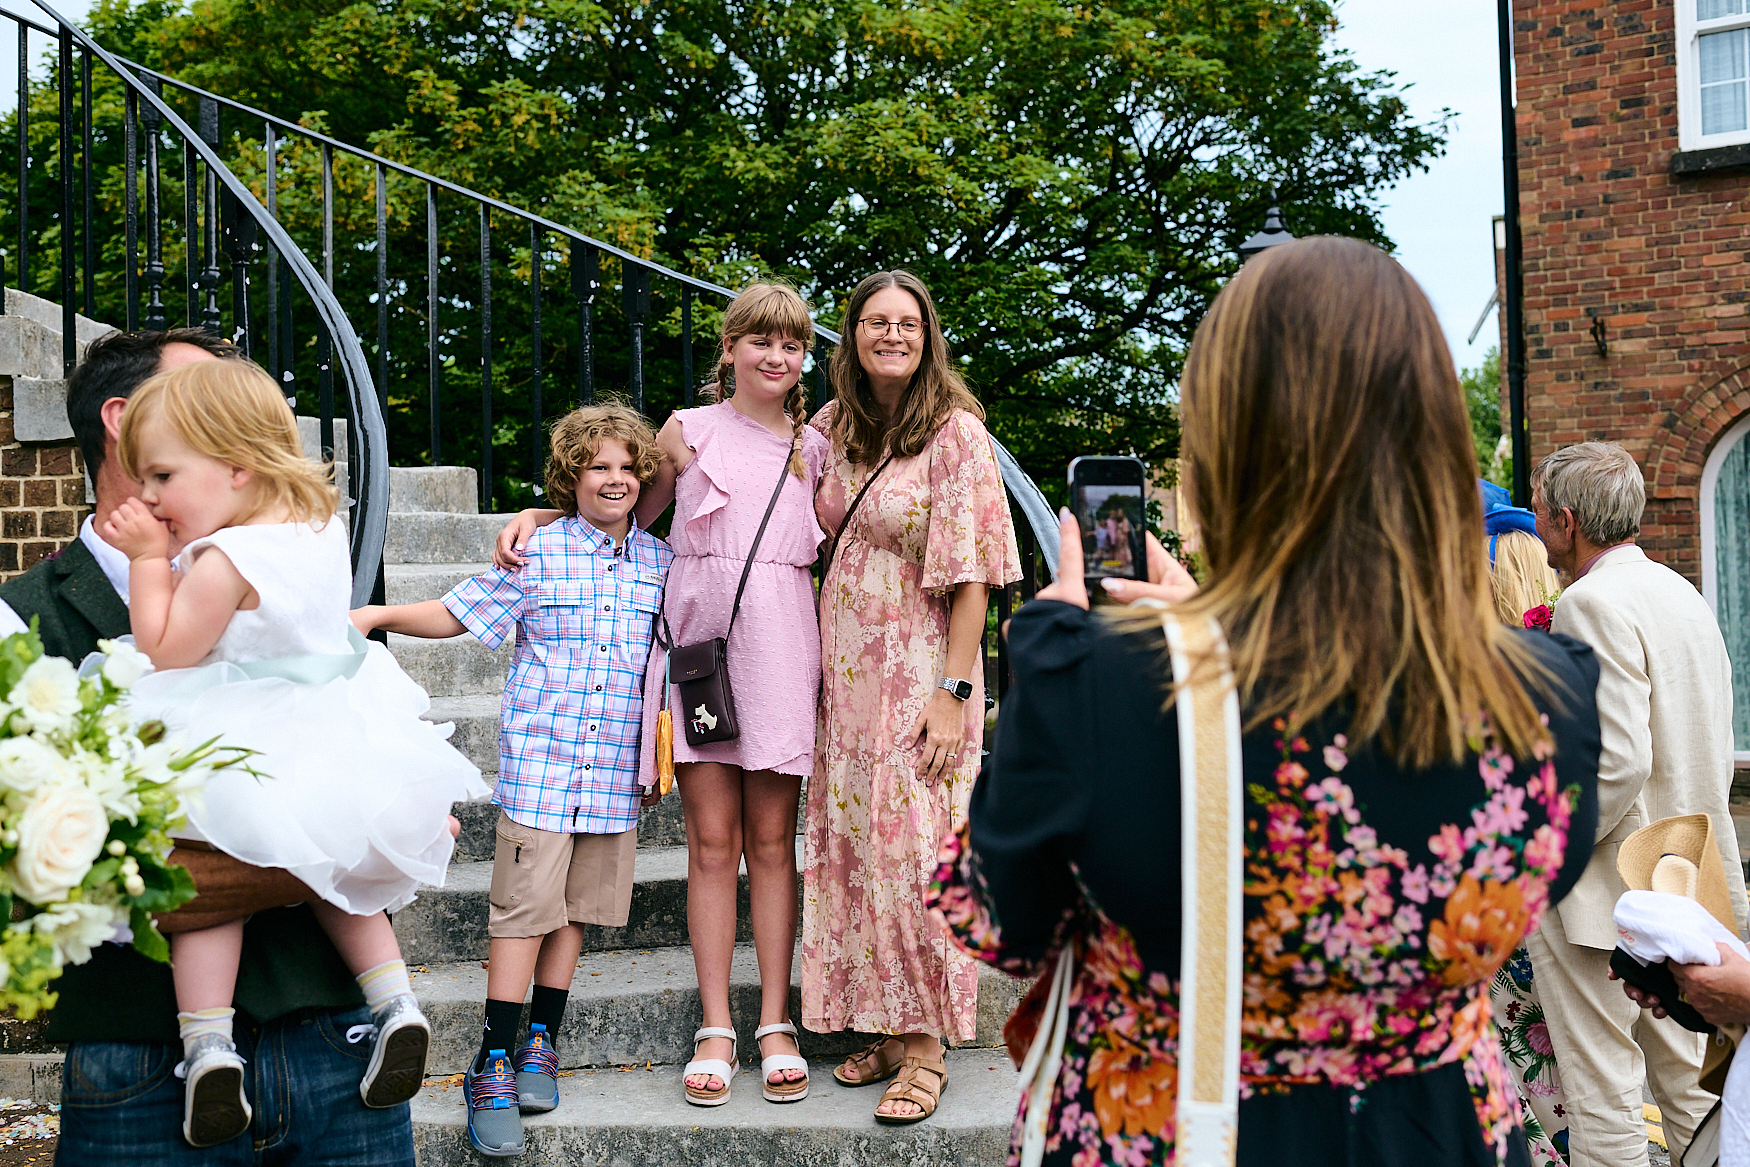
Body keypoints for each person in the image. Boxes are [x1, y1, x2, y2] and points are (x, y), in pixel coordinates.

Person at [927, 236, 1604, 1166]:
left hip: (1174, 1128)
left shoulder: (1096, 679)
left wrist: (1079, 653)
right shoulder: (1550, 689)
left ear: (1223, 443)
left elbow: (997, 917)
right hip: (1431, 1132)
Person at [2, 328, 422, 1166]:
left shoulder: (281, 566)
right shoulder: (20, 618)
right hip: (139, 1068)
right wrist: (334, 844)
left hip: (344, 1054)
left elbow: (409, 816)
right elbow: (31, 868)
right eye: (211, 398)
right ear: (126, 420)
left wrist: (371, 832)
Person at [105, 358, 485, 1147]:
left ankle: (209, 1046)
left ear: (237, 467)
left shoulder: (224, 560)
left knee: (208, 885)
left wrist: (146, 560)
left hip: (239, 736)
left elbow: (167, 651)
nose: (150, 497)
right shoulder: (317, 532)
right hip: (329, 729)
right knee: (335, 873)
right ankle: (395, 1002)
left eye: (163, 475)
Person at [492, 283, 830, 1107]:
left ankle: (775, 1020)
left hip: (782, 642)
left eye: (791, 344)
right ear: (730, 347)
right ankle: (715, 1023)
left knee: (773, 842)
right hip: (701, 648)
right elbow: (622, 521)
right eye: (760, 340)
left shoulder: (816, 444)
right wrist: (540, 515)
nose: (776, 356)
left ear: (804, 357)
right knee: (711, 842)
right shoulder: (686, 429)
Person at [352, 403, 673, 1155]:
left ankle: (540, 1044)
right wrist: (375, 615)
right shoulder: (539, 552)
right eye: (598, 466)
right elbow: (459, 613)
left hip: (614, 770)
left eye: (628, 468)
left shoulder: (661, 563)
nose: (616, 479)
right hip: (542, 766)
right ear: (571, 475)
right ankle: (492, 1058)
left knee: (577, 910)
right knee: (523, 911)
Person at [804, 269, 1021, 1125]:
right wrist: (550, 517)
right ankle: (891, 1028)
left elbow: (976, 579)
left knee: (916, 854)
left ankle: (927, 1046)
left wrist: (953, 690)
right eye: (875, 321)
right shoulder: (833, 427)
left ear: (928, 337)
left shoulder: (956, 434)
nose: (891, 334)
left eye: (907, 323)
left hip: (921, 670)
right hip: (844, 680)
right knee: (859, 851)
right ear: (852, 334)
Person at [1526, 440, 1746, 1167]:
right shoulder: (1683, 593)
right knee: (1694, 1091)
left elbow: (1620, 760)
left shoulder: (1588, 601)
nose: (1535, 524)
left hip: (1606, 889)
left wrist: (1547, 849)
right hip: (1688, 878)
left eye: (1538, 509)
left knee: (1604, 1093)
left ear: (1566, 521)